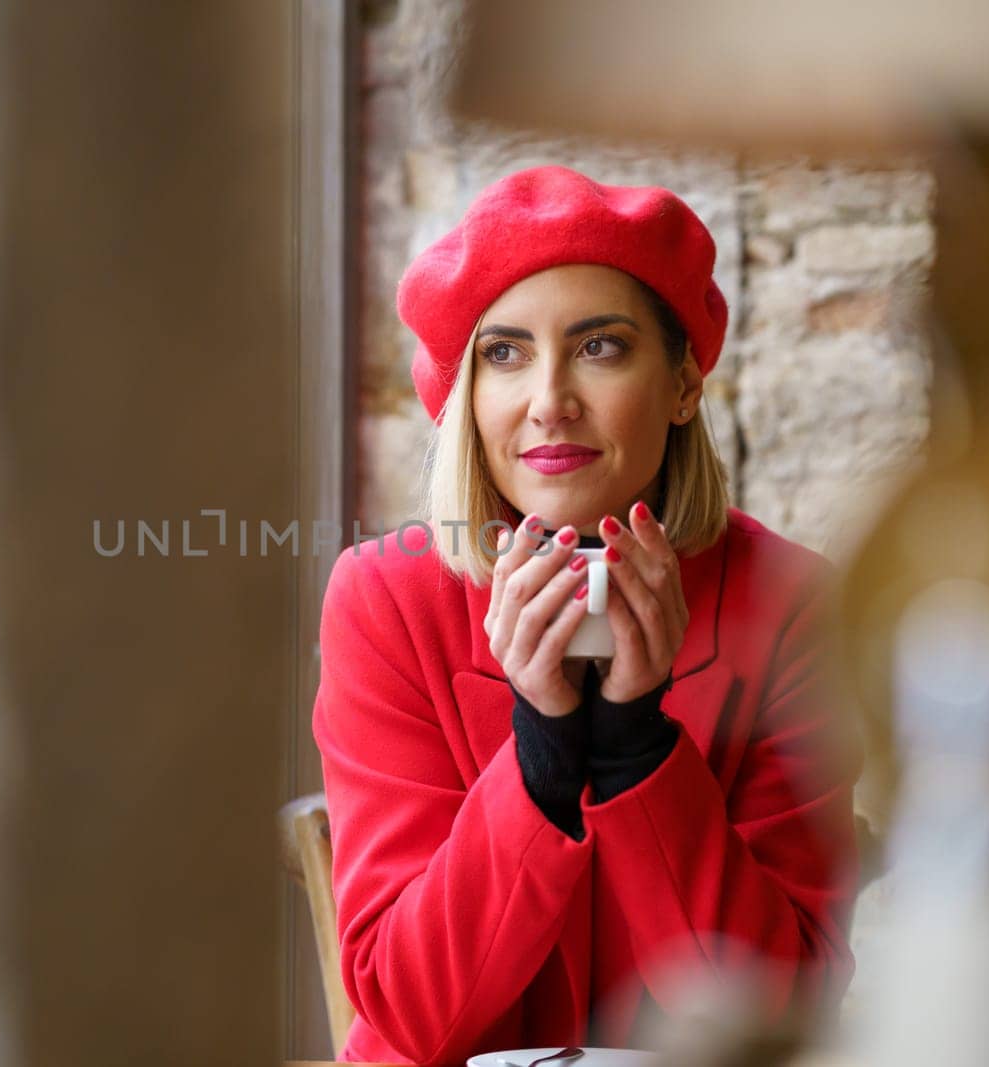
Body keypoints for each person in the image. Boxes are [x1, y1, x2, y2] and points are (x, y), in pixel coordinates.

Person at [313, 166, 863, 1065]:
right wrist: (539, 749)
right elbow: (413, 1013)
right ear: (465, 400)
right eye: (504, 353)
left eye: (601, 347)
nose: (549, 399)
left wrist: (636, 746)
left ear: (684, 383)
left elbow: (783, 1003)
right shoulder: (386, 599)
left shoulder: (790, 604)